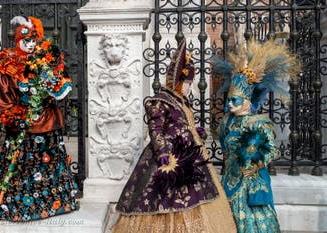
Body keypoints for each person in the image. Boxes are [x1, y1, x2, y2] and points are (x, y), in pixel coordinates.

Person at [111, 39, 236, 233]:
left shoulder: (182, 101)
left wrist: (195, 131)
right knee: (163, 198)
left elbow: (183, 124)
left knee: (196, 196)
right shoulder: (161, 101)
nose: (188, 87)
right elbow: (156, 129)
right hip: (169, 158)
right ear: (176, 81)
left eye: (189, 83)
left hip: (189, 155)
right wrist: (162, 151)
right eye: (187, 83)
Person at [0, 15, 78, 222]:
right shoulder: (8, 65)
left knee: (48, 165)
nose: (30, 45)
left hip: (47, 122)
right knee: (21, 166)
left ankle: (54, 203)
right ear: (17, 41)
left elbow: (61, 83)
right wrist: (15, 116)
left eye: (33, 40)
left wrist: (51, 88)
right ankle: (18, 206)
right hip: (22, 125)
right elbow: (1, 96)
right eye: (25, 41)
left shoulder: (46, 59)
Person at [214, 40, 300, 233]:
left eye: (235, 100)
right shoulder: (225, 122)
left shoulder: (260, 123)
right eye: (229, 100)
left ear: (246, 101)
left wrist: (254, 164)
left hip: (251, 183)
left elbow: (271, 150)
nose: (230, 105)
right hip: (229, 180)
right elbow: (225, 149)